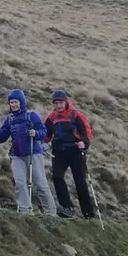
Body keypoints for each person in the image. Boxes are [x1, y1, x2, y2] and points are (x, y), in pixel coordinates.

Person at [0, 89, 57, 216]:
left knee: (40, 184)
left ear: (21, 102)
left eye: (16, 102)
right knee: (20, 184)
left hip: (33, 153)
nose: (14, 105)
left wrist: (35, 133)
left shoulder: (32, 116)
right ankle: (25, 211)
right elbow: (1, 137)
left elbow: (43, 132)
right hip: (17, 155)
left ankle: (51, 213)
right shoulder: (9, 119)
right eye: (11, 102)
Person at [44, 90, 96, 218]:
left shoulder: (76, 115)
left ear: (66, 102)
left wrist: (84, 143)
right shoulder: (51, 118)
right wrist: (41, 142)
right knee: (57, 177)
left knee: (80, 182)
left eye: (61, 102)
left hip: (76, 152)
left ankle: (88, 213)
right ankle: (67, 208)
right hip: (59, 152)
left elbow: (87, 132)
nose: (58, 105)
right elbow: (46, 135)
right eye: (56, 103)